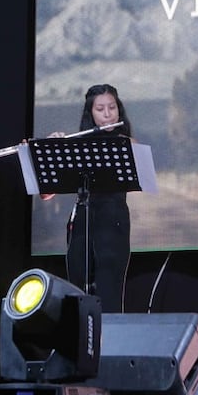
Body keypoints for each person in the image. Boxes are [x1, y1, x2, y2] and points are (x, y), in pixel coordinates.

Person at [41, 84, 132, 313]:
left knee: (110, 296)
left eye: (112, 107)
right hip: (82, 223)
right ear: (90, 113)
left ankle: (110, 345)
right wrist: (51, 151)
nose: (108, 114)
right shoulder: (78, 145)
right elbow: (46, 194)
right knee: (78, 293)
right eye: (100, 109)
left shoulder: (126, 143)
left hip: (114, 225)